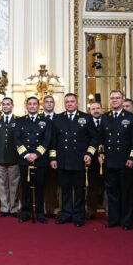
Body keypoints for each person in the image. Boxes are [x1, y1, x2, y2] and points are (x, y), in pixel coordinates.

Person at [49, 93, 97, 227]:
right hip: (62, 160)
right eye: (67, 102)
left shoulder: (86, 118)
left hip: (79, 160)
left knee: (79, 191)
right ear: (64, 104)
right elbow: (53, 140)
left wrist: (89, 153)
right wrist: (53, 157)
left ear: (77, 103)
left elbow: (95, 139)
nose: (69, 104)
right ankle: (65, 215)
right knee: (65, 190)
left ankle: (78, 216)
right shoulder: (58, 119)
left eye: (72, 101)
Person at [100, 90, 133, 230]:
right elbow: (101, 139)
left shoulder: (132, 117)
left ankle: (128, 221)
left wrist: (132, 157)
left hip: (125, 161)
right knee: (112, 193)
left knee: (127, 193)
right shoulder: (105, 117)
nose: (115, 100)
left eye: (117, 98)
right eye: (112, 98)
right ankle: (113, 220)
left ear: (123, 100)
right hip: (109, 161)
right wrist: (101, 153)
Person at [15, 96, 52, 223]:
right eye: (29, 104)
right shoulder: (19, 121)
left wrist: (36, 154)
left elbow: (47, 140)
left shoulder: (45, 121)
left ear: (38, 106)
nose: (32, 106)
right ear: (26, 106)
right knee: (25, 188)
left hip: (40, 159)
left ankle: (40, 213)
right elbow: (17, 140)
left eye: (34, 104)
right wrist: (26, 155)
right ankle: (26, 212)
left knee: (40, 187)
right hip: (24, 159)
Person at [0, 97, 20, 217]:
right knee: (2, 184)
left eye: (8, 104)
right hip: (0, 157)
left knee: (14, 184)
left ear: (12, 106)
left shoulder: (18, 120)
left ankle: (13, 208)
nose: (5, 106)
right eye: (3, 104)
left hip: (14, 157)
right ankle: (4, 208)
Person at [40, 95, 59, 218]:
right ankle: (41, 208)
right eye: (46, 102)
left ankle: (52, 209)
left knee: (53, 184)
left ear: (54, 104)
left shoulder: (60, 118)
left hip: (56, 157)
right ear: (42, 104)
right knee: (40, 184)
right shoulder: (37, 117)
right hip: (40, 156)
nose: (49, 104)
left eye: (51, 102)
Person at [86, 101, 105, 219]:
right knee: (92, 187)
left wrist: (103, 154)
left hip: (106, 159)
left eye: (98, 108)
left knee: (108, 186)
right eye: (93, 109)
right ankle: (91, 211)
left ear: (102, 110)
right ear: (90, 111)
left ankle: (108, 210)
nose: (96, 110)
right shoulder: (86, 123)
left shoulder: (108, 121)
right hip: (92, 160)